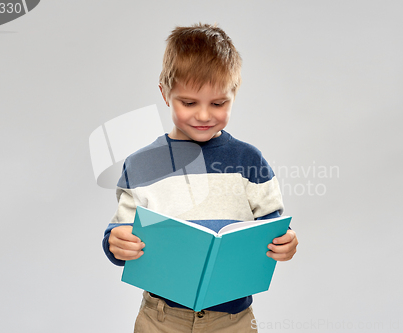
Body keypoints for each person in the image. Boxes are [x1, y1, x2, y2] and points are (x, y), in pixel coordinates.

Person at [102, 23, 298, 332]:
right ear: (165, 93)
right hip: (160, 318)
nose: (204, 115)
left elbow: (271, 228)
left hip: (232, 320)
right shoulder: (141, 165)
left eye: (219, 103)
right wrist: (115, 243)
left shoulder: (249, 161)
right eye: (189, 102)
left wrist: (284, 244)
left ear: (234, 94)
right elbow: (121, 233)